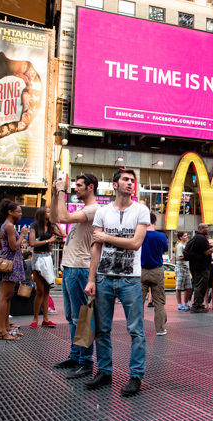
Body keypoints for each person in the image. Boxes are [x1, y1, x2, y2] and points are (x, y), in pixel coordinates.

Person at [84, 168, 150, 396]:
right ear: (115, 185)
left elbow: (135, 244)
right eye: (125, 180)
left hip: (130, 279)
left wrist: (105, 237)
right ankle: (105, 371)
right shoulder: (103, 212)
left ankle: (135, 376)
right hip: (103, 278)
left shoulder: (141, 210)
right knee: (102, 329)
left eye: (133, 180)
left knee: (136, 331)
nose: (131, 183)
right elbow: (96, 249)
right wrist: (91, 279)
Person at [50, 173, 100, 379]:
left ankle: (86, 361)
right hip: (70, 267)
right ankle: (76, 356)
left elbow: (63, 218)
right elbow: (54, 217)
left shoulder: (94, 209)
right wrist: (55, 195)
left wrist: (61, 190)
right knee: (73, 318)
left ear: (90, 188)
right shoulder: (84, 209)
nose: (75, 188)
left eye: (79, 185)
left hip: (80, 268)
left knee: (82, 318)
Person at [0, 199, 28, 341]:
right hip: (10, 263)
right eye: (18, 211)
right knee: (5, 297)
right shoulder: (10, 226)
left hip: (10, 261)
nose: (20, 214)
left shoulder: (6, 225)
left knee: (7, 296)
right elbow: (14, 247)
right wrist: (23, 234)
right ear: (10, 212)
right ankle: (2, 330)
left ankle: (6, 327)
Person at [29, 206, 65, 329]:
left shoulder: (51, 227)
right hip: (38, 258)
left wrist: (56, 223)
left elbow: (63, 234)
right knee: (40, 290)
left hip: (48, 258)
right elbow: (32, 243)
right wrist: (48, 241)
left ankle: (45, 319)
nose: (51, 213)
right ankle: (35, 318)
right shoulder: (34, 226)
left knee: (47, 290)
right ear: (42, 214)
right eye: (49, 212)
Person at [141, 212, 169, 336]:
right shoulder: (161, 236)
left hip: (141, 271)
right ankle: (160, 329)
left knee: (138, 302)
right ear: (155, 222)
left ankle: (138, 328)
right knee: (159, 301)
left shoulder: (139, 235)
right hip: (157, 270)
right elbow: (164, 250)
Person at [189, 223, 213, 313]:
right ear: (200, 229)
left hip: (196, 266)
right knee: (201, 286)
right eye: (206, 227)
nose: (208, 229)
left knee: (199, 286)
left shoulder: (196, 237)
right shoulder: (201, 238)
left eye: (208, 227)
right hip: (201, 267)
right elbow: (207, 252)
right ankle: (197, 306)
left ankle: (198, 304)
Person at [175, 231, 192, 311]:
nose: (186, 237)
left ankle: (185, 303)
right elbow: (178, 257)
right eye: (185, 236)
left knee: (188, 287)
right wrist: (188, 256)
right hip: (180, 268)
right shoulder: (179, 246)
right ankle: (179, 304)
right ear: (180, 237)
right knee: (179, 287)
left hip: (186, 268)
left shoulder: (185, 245)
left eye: (186, 235)